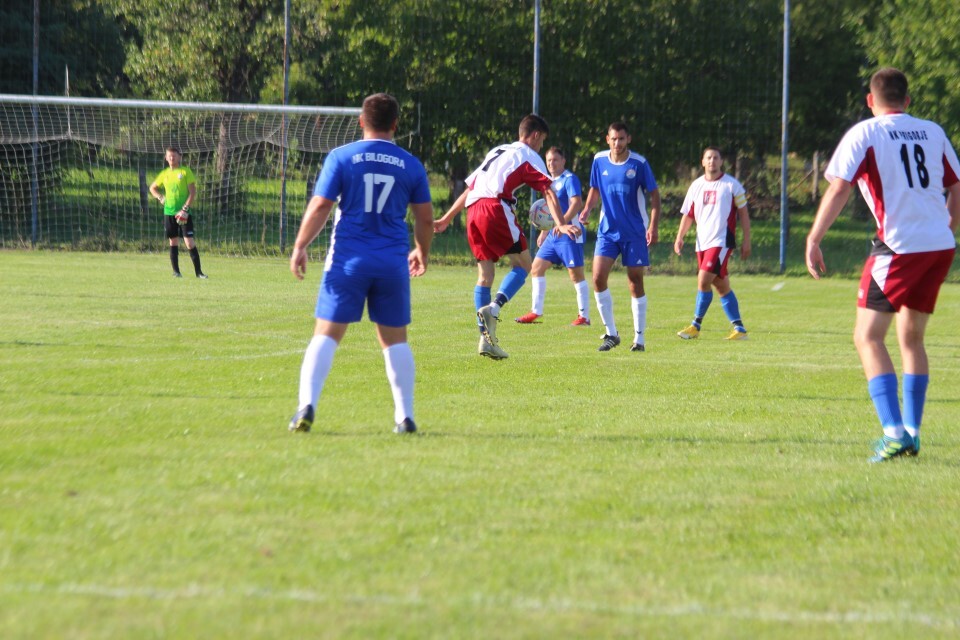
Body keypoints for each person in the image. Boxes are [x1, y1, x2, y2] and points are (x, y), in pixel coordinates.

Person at [806, 67, 960, 462]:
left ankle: (894, 434)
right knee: (911, 339)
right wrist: (945, 227)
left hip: (898, 247)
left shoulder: (866, 132)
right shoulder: (933, 130)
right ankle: (912, 431)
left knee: (867, 337)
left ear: (870, 101)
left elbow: (839, 188)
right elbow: (956, 185)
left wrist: (814, 238)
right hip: (939, 246)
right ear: (908, 101)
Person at [288, 92, 434, 435]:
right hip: (391, 263)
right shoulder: (410, 164)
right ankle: (405, 417)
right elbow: (425, 220)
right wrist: (421, 251)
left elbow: (322, 206)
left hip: (347, 261)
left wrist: (300, 245)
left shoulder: (342, 157)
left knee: (326, 335)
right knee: (395, 340)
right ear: (395, 125)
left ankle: (306, 406)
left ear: (360, 121)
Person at [433, 115, 580, 360]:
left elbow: (471, 187)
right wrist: (562, 224)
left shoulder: (497, 150)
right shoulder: (529, 155)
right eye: (542, 141)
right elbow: (548, 191)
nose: (541, 146)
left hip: (473, 210)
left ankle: (486, 340)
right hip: (495, 209)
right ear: (534, 136)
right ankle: (495, 307)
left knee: (485, 275)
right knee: (524, 264)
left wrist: (447, 217)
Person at [580, 122, 661, 352]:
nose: (617, 143)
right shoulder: (599, 160)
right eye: (614, 139)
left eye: (622, 139)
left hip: (634, 231)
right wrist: (587, 209)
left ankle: (640, 338)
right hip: (608, 230)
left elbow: (655, 195)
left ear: (628, 139)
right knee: (597, 278)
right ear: (608, 139)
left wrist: (653, 227)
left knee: (635, 281)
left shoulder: (639, 164)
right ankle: (611, 334)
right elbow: (595, 189)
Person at [674, 146, 752, 340]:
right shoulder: (696, 186)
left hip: (722, 241)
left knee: (703, 280)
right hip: (702, 242)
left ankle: (695, 326)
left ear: (721, 161)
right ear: (702, 161)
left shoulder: (731, 185)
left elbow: (743, 214)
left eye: (715, 158)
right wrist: (680, 236)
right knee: (721, 285)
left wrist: (746, 241)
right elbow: (688, 215)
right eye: (708, 158)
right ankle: (740, 329)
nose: (712, 161)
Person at [514, 146, 591, 326]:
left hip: (570, 233)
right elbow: (549, 211)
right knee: (536, 268)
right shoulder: (547, 182)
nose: (551, 163)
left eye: (555, 160)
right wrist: (545, 231)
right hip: (554, 235)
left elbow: (576, 203)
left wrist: (562, 223)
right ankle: (535, 311)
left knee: (576, 275)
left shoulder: (569, 179)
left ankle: (584, 317)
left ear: (563, 161)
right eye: (548, 160)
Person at [150, 146, 207, 278]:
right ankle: (176, 272)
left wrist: (185, 210)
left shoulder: (185, 172)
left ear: (179, 157)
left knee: (189, 242)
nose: (171, 158)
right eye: (169, 156)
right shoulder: (164, 174)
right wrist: (160, 197)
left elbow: (192, 192)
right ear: (166, 158)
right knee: (173, 241)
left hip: (184, 214)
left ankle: (199, 273)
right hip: (169, 212)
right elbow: (152, 188)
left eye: (174, 155)